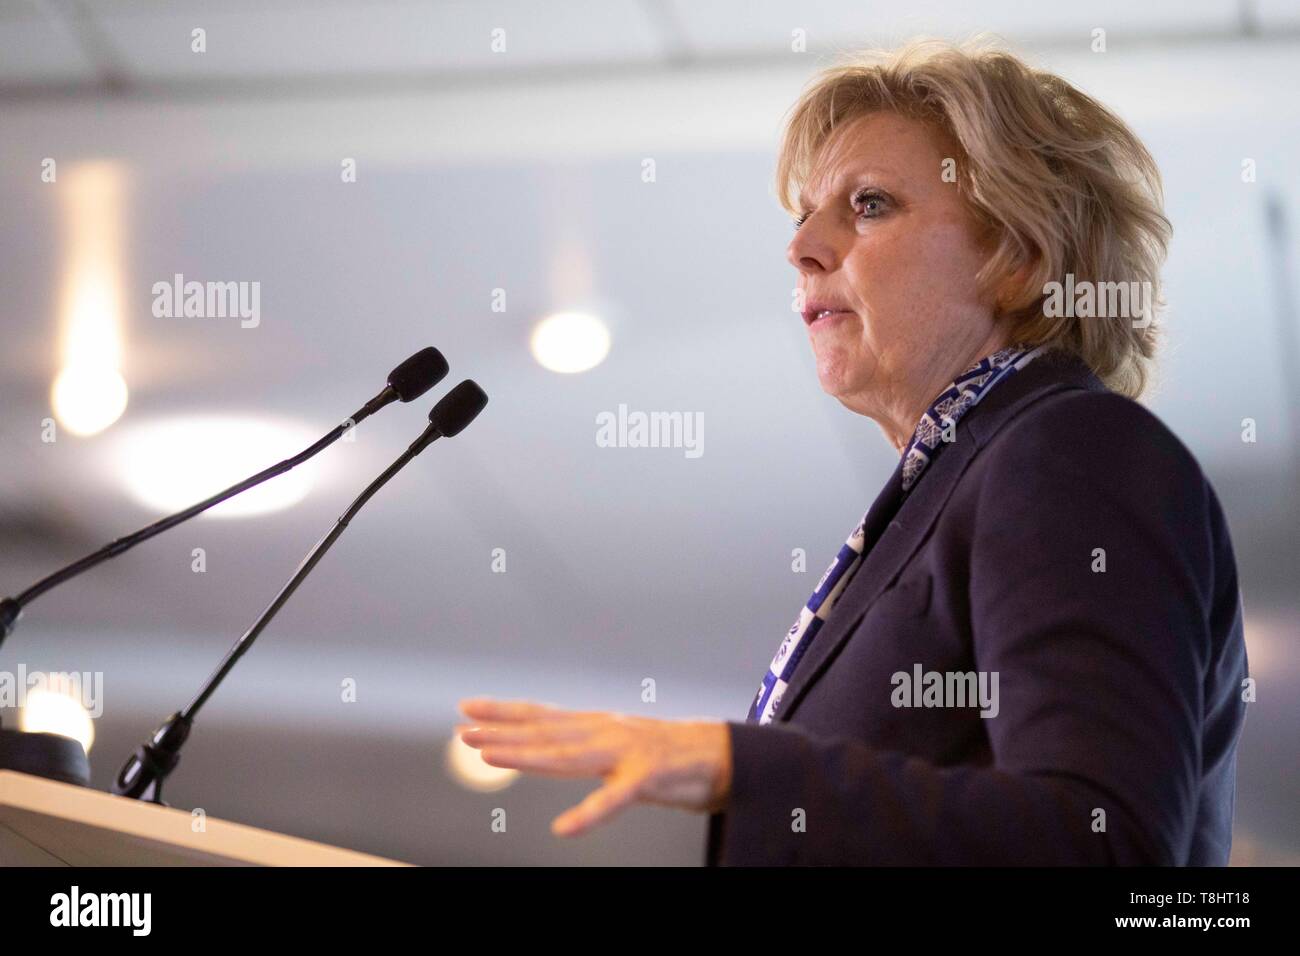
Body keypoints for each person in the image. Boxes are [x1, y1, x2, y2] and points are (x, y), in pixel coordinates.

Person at [457, 39, 1249, 866]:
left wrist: (738, 764)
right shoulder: (954, 487)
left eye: (868, 205)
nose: (801, 247)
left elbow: (1102, 842)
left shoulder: (1072, 450)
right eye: (805, 213)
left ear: (1018, 258)